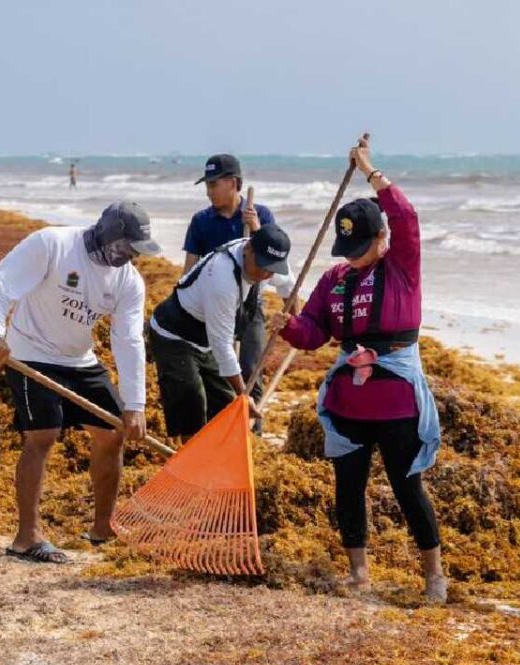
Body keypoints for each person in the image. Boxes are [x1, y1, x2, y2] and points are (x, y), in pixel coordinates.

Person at [273, 135, 446, 603]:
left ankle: (433, 576)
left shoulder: (402, 267)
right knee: (347, 486)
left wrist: (369, 170)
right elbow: (313, 332)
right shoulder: (333, 280)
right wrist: (288, 326)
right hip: (349, 401)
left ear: (381, 238)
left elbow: (407, 216)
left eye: (360, 245)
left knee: (407, 486)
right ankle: (358, 572)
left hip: (396, 401)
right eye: (346, 247)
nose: (351, 255)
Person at [0, 201, 161, 563]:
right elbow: (1, 283)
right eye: (126, 248)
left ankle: (102, 529)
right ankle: (26, 538)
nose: (130, 257)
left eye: (136, 251)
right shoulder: (53, 244)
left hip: (80, 360)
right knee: (43, 435)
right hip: (30, 352)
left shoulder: (128, 281)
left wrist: (135, 404)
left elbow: (128, 341)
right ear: (108, 236)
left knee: (113, 433)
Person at [149, 224, 294, 440]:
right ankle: (191, 456)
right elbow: (223, 346)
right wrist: (244, 395)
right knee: (191, 401)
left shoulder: (268, 260)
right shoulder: (221, 277)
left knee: (225, 404)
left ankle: (216, 454)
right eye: (263, 266)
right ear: (248, 249)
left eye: (272, 269)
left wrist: (296, 324)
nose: (266, 275)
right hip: (173, 334)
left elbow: (288, 285)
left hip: (205, 338)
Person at [183, 154, 276, 416]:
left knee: (251, 370)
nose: (208, 191)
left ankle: (252, 431)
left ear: (233, 183)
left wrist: (256, 229)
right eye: (207, 185)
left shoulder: (260, 214)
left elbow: (273, 262)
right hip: (214, 305)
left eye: (213, 184)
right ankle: (223, 427)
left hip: (250, 304)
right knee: (218, 372)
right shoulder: (201, 221)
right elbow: (189, 270)